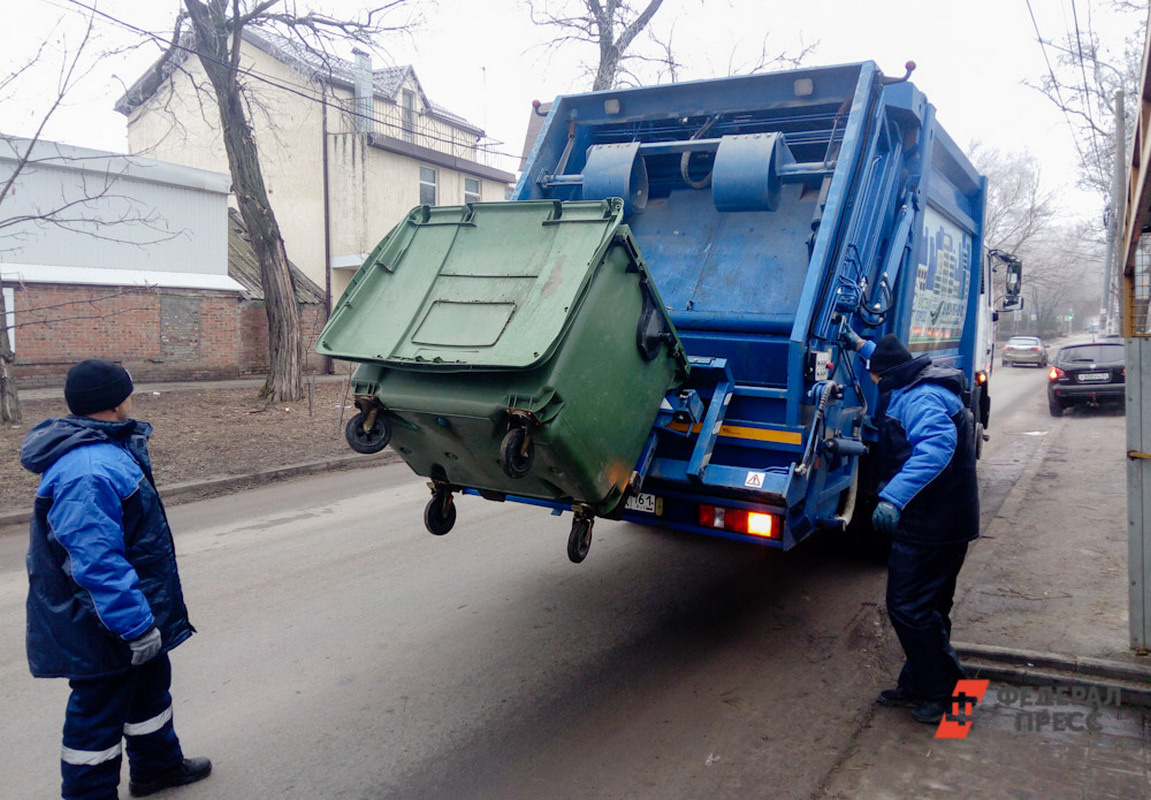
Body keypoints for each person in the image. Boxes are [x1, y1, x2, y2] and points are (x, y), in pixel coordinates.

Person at [20, 359, 211, 799]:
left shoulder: (105, 449)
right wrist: (135, 626)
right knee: (98, 716)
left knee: (147, 691)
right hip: (104, 625)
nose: (132, 397)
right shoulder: (89, 469)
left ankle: (157, 768)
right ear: (113, 401)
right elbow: (95, 563)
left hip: (127, 613)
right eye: (128, 391)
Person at [842, 331, 980, 724]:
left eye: (876, 376)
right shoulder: (917, 379)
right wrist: (859, 344)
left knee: (908, 607)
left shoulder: (919, 399)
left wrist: (894, 497)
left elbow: (937, 446)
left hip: (932, 525)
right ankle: (921, 683)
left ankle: (949, 695)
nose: (874, 381)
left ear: (887, 376)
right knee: (930, 607)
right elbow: (884, 360)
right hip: (949, 520)